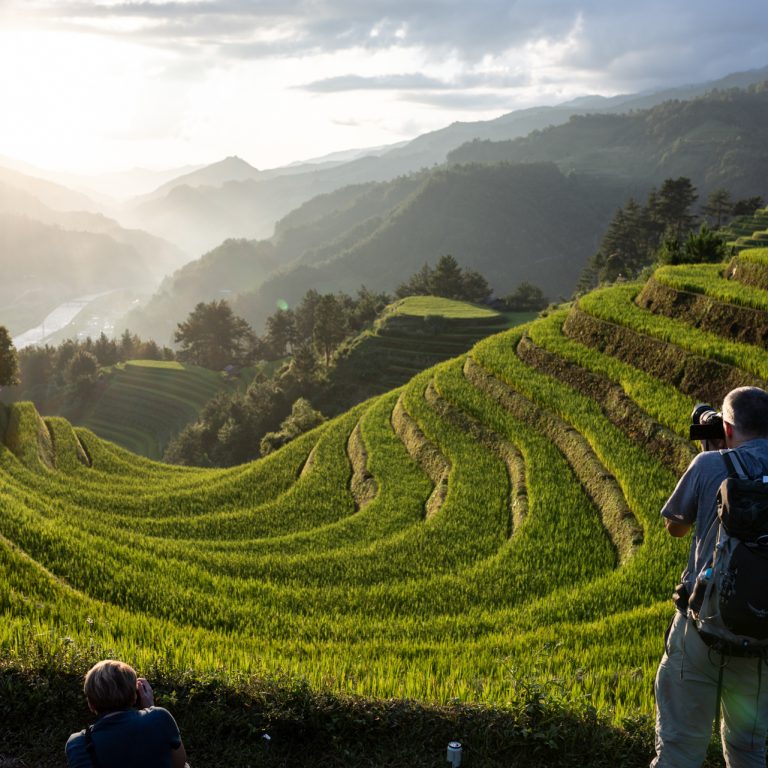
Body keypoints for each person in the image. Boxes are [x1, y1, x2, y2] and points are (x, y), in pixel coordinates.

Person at [652, 386, 768, 768]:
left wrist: (711, 457)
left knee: (680, 749)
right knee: (749, 751)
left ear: (728, 429)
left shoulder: (709, 465)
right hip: (761, 640)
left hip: (700, 629)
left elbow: (676, 527)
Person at [66, 659, 188, 768]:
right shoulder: (159, 718)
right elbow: (179, 763)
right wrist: (151, 707)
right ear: (135, 697)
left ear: (91, 704)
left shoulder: (77, 744)